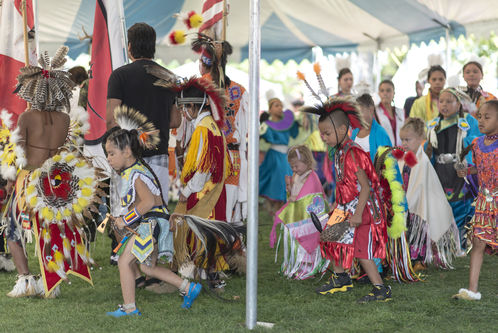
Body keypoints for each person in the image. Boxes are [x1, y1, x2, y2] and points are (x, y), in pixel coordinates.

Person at [2, 46, 95, 297]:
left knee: (12, 228)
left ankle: (25, 279)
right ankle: (48, 281)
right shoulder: (64, 119)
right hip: (55, 183)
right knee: (51, 230)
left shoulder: (26, 117)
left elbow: (19, 156)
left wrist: (12, 182)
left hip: (29, 181)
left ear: (33, 88)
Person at [105, 107, 201, 317]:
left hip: (152, 224)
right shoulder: (135, 170)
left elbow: (148, 202)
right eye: (107, 154)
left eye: (112, 153)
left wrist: (125, 220)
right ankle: (187, 287)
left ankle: (129, 308)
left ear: (127, 151)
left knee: (124, 261)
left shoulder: (136, 174)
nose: (109, 158)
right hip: (154, 223)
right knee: (147, 268)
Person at [303, 97, 390, 303]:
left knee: (361, 252)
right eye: (322, 133)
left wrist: (358, 213)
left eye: (327, 133)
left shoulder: (353, 153)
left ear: (342, 130)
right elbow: (344, 183)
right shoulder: (339, 152)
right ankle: (341, 278)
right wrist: (337, 204)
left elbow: (366, 187)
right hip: (345, 206)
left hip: (364, 209)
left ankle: (380, 289)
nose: (323, 137)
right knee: (330, 237)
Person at [106, 22, 181, 206]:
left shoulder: (119, 76)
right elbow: (175, 120)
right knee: (156, 215)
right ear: (153, 47)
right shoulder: (169, 77)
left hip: (127, 157)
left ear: (130, 47)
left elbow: (110, 120)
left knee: (127, 216)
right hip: (159, 157)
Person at [192, 34, 249, 224]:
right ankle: (232, 247)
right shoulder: (239, 91)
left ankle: (212, 247)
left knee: (206, 206)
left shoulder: (198, 86)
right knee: (229, 209)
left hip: (206, 155)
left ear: (203, 62)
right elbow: (247, 130)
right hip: (233, 158)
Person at [399, 118, 460, 269]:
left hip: (419, 204)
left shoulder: (423, 161)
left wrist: (409, 202)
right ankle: (408, 258)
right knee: (408, 229)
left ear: (420, 139)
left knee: (418, 230)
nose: (404, 143)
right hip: (406, 202)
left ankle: (419, 260)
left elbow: (421, 185)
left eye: (408, 139)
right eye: (402, 139)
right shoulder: (403, 157)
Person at [453, 100, 498, 300]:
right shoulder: (476, 144)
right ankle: (472, 289)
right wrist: (466, 170)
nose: (481, 121)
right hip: (483, 203)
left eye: (487, 117)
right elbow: (478, 169)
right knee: (478, 243)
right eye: (479, 116)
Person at [425, 87, 481, 245]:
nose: (444, 105)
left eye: (449, 101)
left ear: (458, 105)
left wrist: (467, 143)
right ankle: (444, 241)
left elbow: (478, 140)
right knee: (442, 205)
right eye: (441, 101)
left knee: (461, 205)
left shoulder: (468, 121)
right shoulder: (433, 125)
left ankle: (462, 241)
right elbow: (427, 151)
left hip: (459, 171)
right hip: (440, 173)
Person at [269, 145, 329, 279]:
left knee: (308, 241)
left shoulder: (311, 177)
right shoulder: (297, 175)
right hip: (299, 215)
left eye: (296, 166)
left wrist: (295, 198)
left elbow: (311, 196)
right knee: (299, 244)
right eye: (292, 166)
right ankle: (301, 267)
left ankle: (309, 269)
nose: (294, 169)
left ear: (307, 162)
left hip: (309, 218)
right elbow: (295, 193)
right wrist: (290, 189)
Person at [259, 98, 299, 216]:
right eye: (276, 105)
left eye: (281, 105)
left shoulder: (287, 124)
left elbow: (295, 133)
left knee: (285, 180)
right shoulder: (267, 125)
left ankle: (279, 208)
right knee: (274, 181)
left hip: (284, 156)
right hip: (274, 156)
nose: (280, 108)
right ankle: (273, 207)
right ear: (270, 109)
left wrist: (295, 121)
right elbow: (265, 136)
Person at [352, 94, 392, 161]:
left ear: (371, 109)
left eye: (360, 111)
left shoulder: (380, 133)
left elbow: (388, 163)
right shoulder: (354, 132)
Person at [376, 80, 405, 145]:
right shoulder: (374, 112)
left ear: (394, 93)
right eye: (382, 91)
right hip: (382, 151)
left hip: (400, 151)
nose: (385, 93)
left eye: (388, 90)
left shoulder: (401, 112)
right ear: (379, 93)